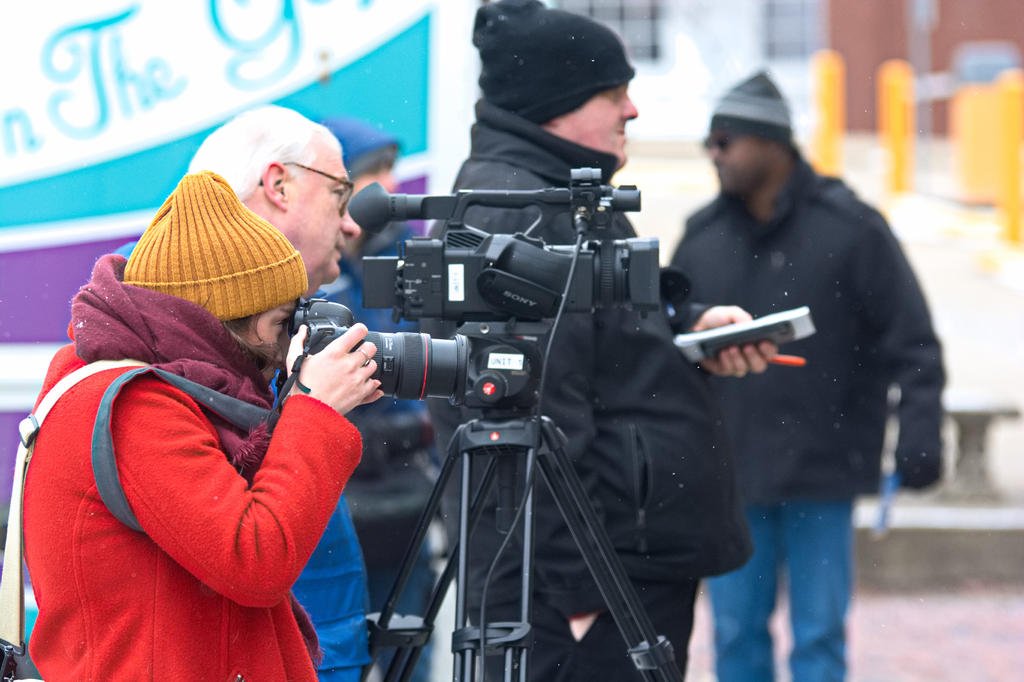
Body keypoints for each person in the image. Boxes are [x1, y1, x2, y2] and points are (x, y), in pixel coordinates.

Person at [425, 2, 775, 679]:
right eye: (613, 94)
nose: (632, 110)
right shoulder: (523, 213)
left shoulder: (554, 195)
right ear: (554, 105)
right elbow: (528, 419)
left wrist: (685, 325)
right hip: (590, 584)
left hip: (612, 562)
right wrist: (579, 589)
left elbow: (596, 336)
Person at [22, 170, 383, 680]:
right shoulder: (136, 407)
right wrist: (315, 409)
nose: (288, 346)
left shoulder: (160, 390)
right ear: (223, 323)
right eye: (281, 322)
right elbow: (255, 561)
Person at [672, 71, 946, 682]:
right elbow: (667, 350)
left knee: (819, 637)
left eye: (725, 141)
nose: (713, 154)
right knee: (735, 635)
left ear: (772, 142)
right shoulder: (702, 237)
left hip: (824, 471)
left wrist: (920, 434)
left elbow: (913, 342)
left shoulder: (852, 229)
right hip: (733, 476)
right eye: (709, 143)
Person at [188, 105, 375, 681]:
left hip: (314, 645)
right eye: (340, 195)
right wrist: (315, 410)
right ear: (278, 185)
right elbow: (244, 558)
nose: (352, 225)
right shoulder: (163, 328)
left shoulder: (172, 313)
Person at [317, 115, 438, 682]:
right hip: (331, 495)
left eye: (392, 169)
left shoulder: (411, 253)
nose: (389, 184)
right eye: (374, 172)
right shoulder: (309, 263)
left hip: (404, 491)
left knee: (409, 651)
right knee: (332, 653)